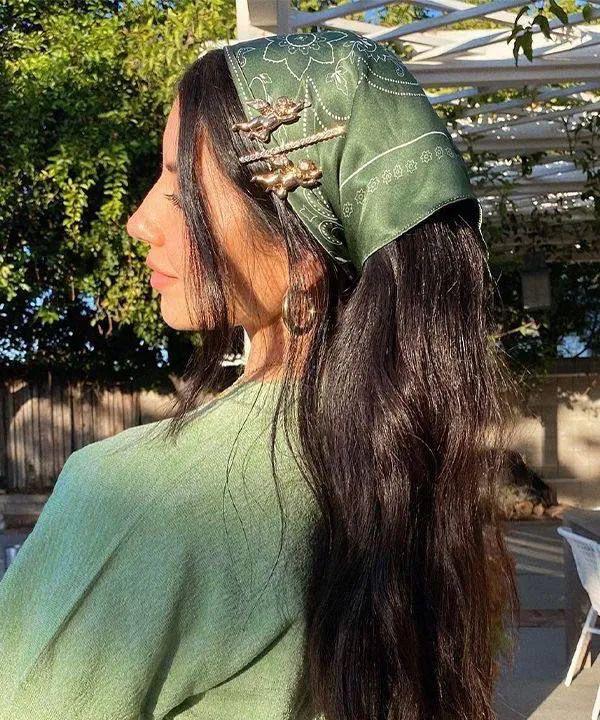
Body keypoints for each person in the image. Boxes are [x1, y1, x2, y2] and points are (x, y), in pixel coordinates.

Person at [0, 28, 519, 720]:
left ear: (303, 259)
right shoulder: (431, 493)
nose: (139, 220)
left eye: (182, 184)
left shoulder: (136, 498)